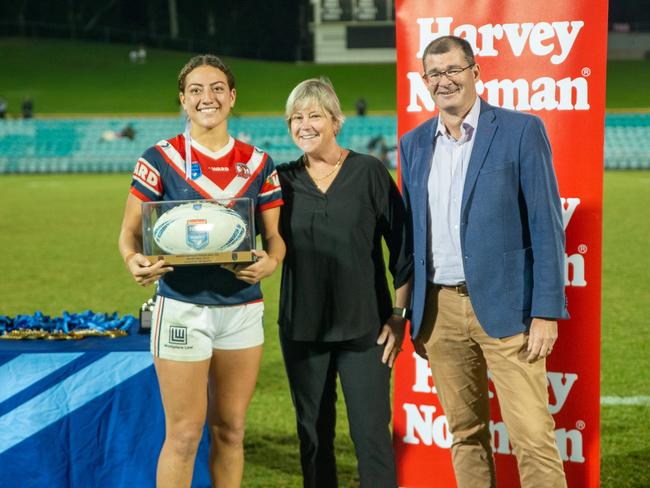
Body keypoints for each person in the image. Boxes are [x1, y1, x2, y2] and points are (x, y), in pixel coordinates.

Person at [399, 36, 568, 488]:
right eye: (434, 74)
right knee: (465, 435)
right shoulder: (413, 144)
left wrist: (547, 311)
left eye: (453, 69)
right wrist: (409, 310)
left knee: (532, 436)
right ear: (424, 82)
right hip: (439, 312)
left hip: (509, 310)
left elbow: (546, 226)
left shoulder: (520, 130)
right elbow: (411, 235)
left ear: (475, 72)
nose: (444, 80)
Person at [118, 54, 285, 488]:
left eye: (216, 89)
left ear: (232, 97)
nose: (206, 97)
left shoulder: (259, 162)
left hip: (242, 309)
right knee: (185, 434)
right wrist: (133, 260)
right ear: (183, 100)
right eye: (195, 90)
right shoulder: (159, 158)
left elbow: (275, 239)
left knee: (230, 431)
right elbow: (129, 235)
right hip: (182, 308)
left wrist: (272, 260)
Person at [276, 78, 413, 488]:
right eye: (296, 118)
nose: (304, 125)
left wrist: (399, 315)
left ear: (336, 121)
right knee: (313, 438)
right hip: (302, 330)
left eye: (314, 115)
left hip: (365, 331)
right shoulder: (279, 180)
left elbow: (403, 249)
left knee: (371, 437)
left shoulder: (369, 171)